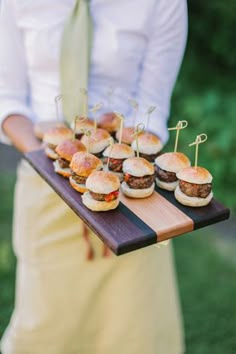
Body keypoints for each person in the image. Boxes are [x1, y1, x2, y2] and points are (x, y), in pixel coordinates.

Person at [0, 0, 188, 353]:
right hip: (46, 184)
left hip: (130, 201)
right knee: (44, 328)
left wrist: (113, 173)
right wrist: (57, 165)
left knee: (136, 330)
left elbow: (152, 106)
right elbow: (7, 102)